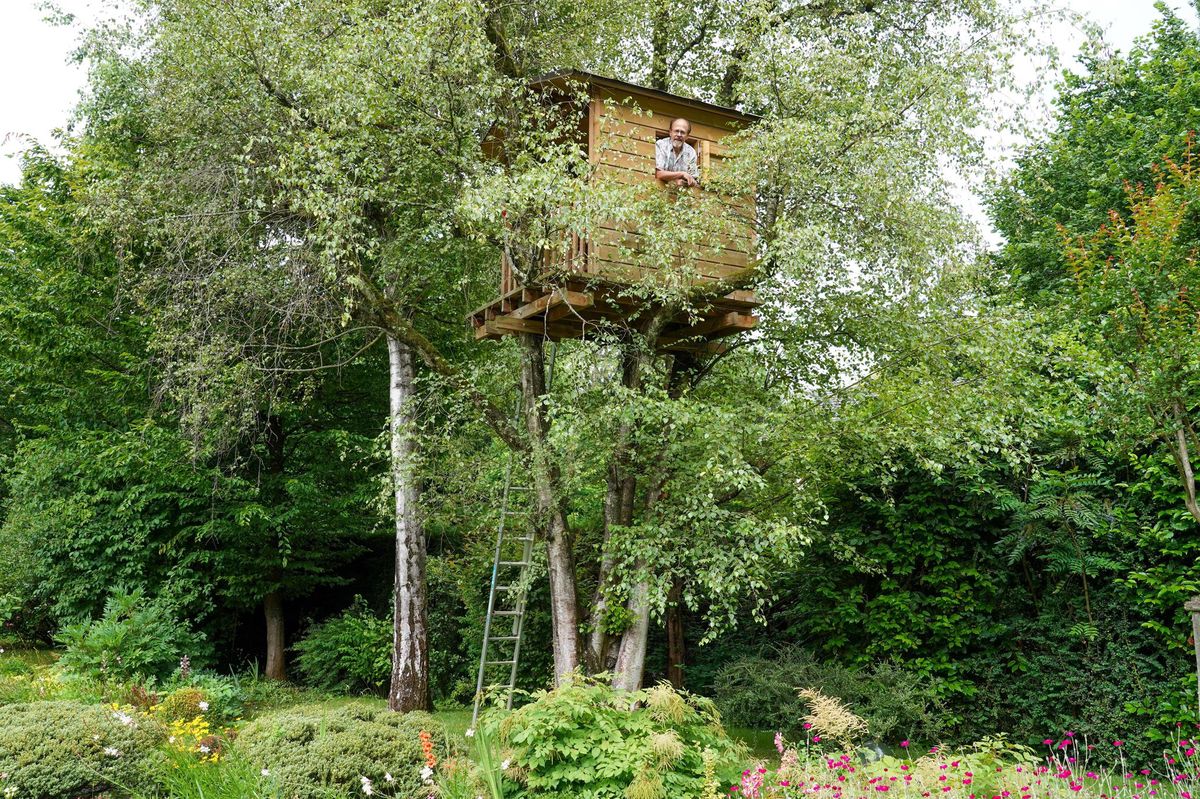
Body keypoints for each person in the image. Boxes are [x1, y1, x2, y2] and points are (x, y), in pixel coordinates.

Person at [655, 117, 699, 187]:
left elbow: (693, 179)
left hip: (681, 196)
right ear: (670, 132)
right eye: (676, 131)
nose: (679, 135)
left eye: (682, 132)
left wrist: (685, 183)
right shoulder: (661, 145)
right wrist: (682, 174)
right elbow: (658, 174)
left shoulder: (691, 152)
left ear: (687, 136)